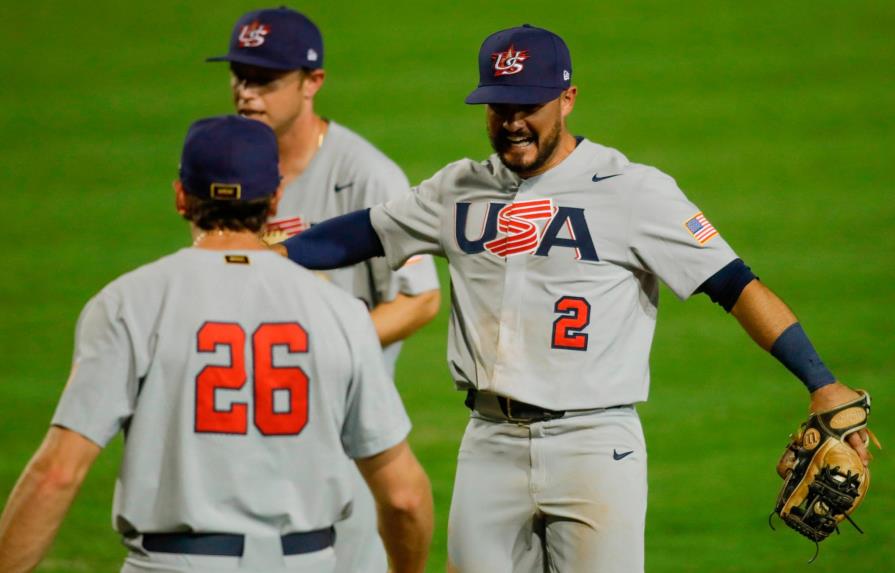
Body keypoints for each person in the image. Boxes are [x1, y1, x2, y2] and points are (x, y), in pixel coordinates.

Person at [276, 24, 877, 572]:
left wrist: (820, 380)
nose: (512, 122)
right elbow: (362, 232)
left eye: (528, 106)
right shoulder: (457, 189)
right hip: (489, 444)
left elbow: (734, 284)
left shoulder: (633, 190)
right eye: (498, 106)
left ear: (567, 99)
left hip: (594, 448)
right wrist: (264, 257)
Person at [0, 116, 433, 573]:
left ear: (181, 197)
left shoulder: (129, 303)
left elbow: (56, 476)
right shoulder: (342, 314)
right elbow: (403, 497)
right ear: (275, 198)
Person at [205, 9, 441, 572]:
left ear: (312, 83)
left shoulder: (365, 175)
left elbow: (422, 298)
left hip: (341, 439)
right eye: (239, 76)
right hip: (242, 432)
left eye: (264, 80)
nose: (246, 93)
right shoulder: (229, 167)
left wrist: (323, 348)